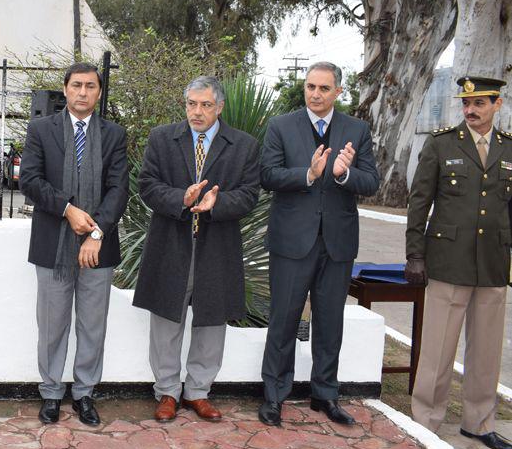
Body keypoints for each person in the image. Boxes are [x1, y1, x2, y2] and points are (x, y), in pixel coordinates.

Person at [258, 61, 380, 427]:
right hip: (292, 242)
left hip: (338, 245)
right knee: (283, 320)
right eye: (310, 86)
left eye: (324, 88)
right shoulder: (281, 126)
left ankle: (325, 394)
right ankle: (274, 396)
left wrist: (343, 174)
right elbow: (267, 175)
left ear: (338, 92)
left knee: (330, 322)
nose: (315, 94)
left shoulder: (356, 130)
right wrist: (308, 174)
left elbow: (372, 181)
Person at [133, 76, 260, 422]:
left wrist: (215, 204)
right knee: (165, 322)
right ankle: (167, 392)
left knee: (210, 322)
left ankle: (199, 392)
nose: (197, 112)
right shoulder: (162, 139)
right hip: (170, 245)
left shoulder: (244, 145)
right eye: (192, 104)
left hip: (216, 248)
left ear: (219, 107)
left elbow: (250, 194)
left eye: (205, 105)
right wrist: (181, 198)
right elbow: (147, 186)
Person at [405, 76, 512, 449]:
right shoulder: (441, 144)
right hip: (448, 261)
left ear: (497, 104)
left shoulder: (508, 149)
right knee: (437, 348)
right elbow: (419, 203)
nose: (471, 110)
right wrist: (414, 255)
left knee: (485, 350)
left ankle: (478, 423)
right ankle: (426, 421)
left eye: (480, 103)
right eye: (466, 103)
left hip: (493, 264)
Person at [19, 62, 128, 426]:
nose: (83, 92)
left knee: (92, 325)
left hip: (100, 247)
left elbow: (119, 188)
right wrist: (68, 210)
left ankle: (84, 394)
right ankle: (51, 392)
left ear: (99, 92)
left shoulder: (114, 134)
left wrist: (96, 232)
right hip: (53, 243)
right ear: (65, 89)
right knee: (52, 324)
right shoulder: (40, 130)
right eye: (77, 85)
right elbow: (30, 180)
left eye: (91, 86)